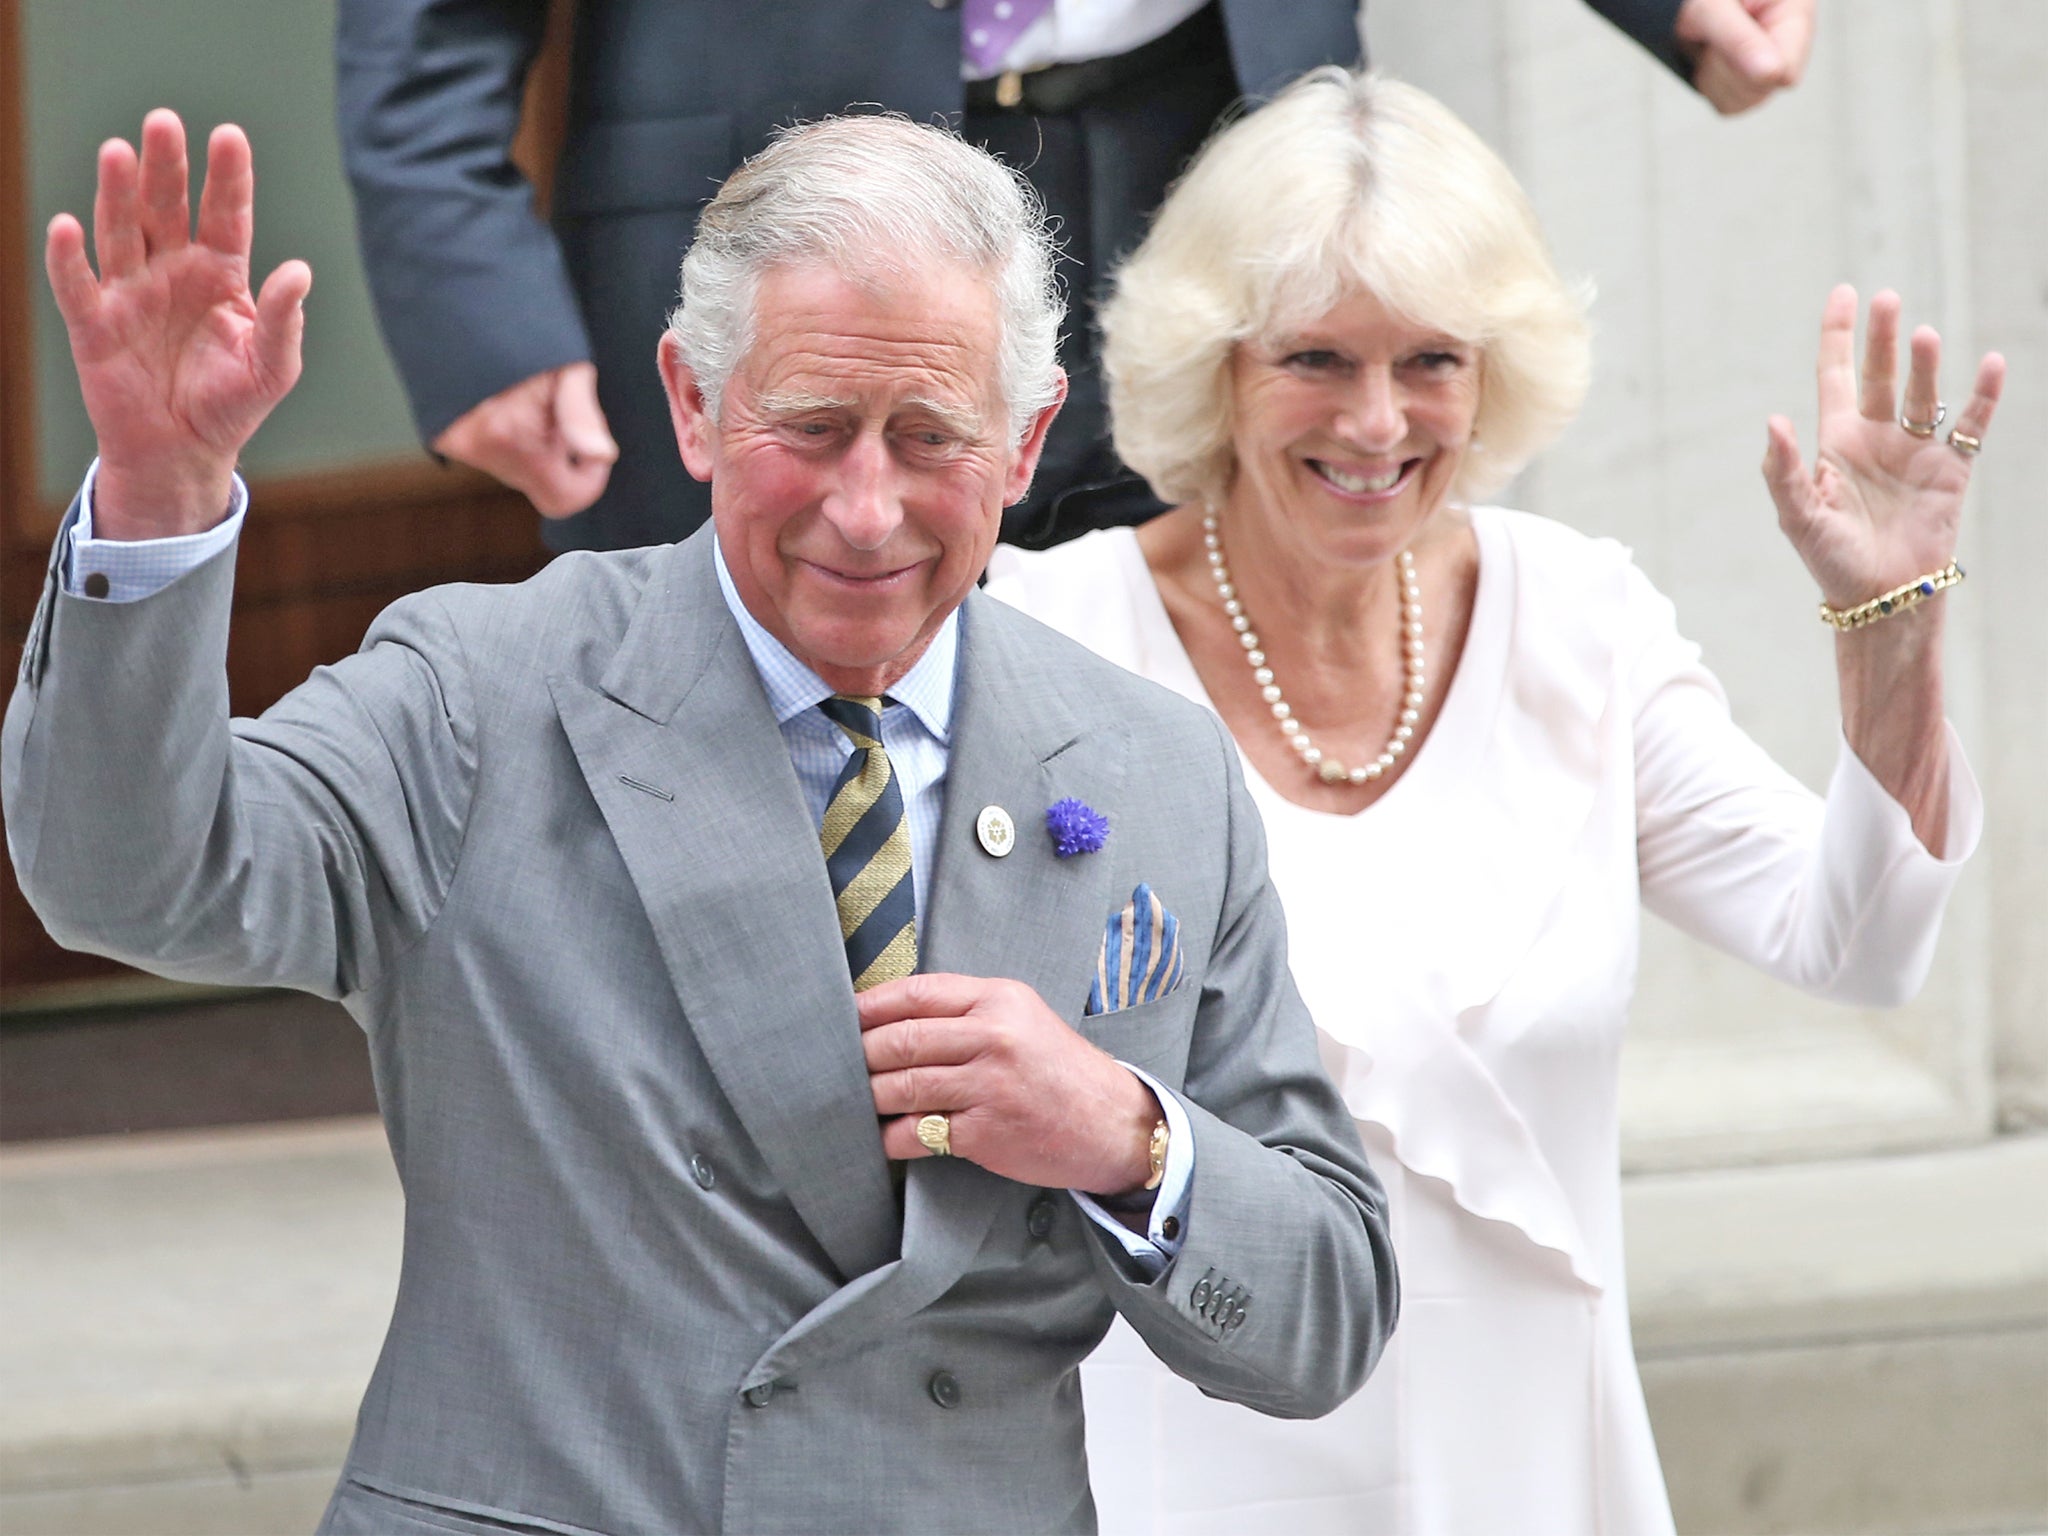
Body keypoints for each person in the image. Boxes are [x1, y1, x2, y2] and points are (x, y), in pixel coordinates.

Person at [6, 109, 1397, 1534]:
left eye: (929, 437)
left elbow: (1325, 1312)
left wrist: (1124, 1134)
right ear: (691, 403)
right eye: (811, 429)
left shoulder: (1154, 768)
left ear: (1029, 437)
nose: (867, 510)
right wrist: (162, 495)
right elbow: (133, 881)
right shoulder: (481, 692)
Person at [986, 67, 1997, 1536]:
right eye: (1317, 359)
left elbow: (1853, 938)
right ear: (1217, 365)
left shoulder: (1576, 624)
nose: (1379, 421)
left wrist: (1893, 621)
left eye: (1433, 361)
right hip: (1182, 1475)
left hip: (1533, 1468)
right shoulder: (1047, 643)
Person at [338, 0, 1815, 556]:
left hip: (1202, 165)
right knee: (741, 790)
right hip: (776, 200)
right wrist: (464, 279)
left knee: (1196, 774)